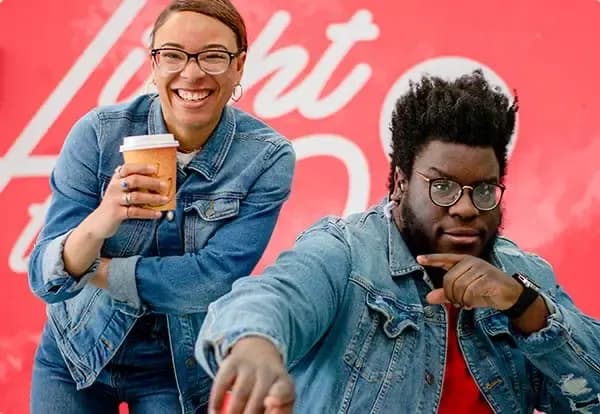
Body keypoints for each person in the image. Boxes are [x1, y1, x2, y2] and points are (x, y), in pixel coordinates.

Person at [196, 70, 600, 414]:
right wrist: (254, 346)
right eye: (443, 186)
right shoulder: (346, 253)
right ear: (401, 183)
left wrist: (525, 307)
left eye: (483, 189)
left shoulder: (523, 277)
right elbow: (272, 297)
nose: (465, 208)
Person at [27, 1, 295, 413]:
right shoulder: (99, 134)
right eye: (172, 54)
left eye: (213, 56)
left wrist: (96, 270)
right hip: (74, 349)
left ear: (239, 65)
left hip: (175, 367)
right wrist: (102, 220)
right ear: (153, 64)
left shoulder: (266, 157)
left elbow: (214, 278)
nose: (192, 72)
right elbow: (46, 277)